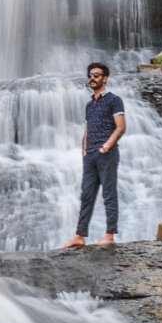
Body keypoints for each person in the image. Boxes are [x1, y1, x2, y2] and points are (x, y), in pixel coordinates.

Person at [62, 63, 126, 248]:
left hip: (107, 154)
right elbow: (88, 128)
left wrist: (106, 147)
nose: (92, 78)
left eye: (96, 75)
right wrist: (84, 149)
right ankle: (80, 236)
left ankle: (109, 235)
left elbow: (121, 127)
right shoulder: (89, 105)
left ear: (104, 78)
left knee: (109, 194)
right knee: (86, 195)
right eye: (90, 75)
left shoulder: (114, 100)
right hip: (89, 155)